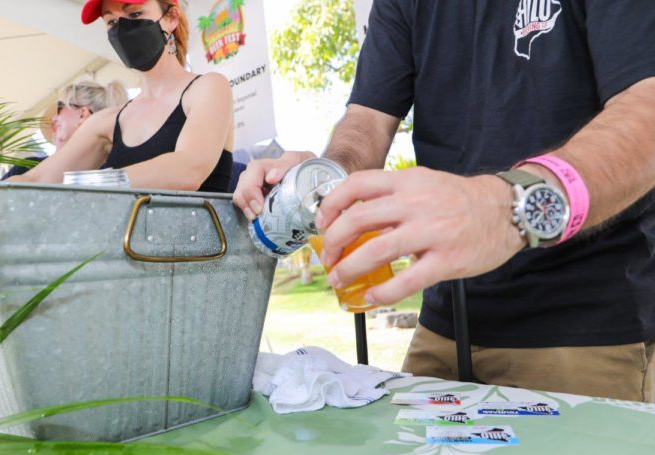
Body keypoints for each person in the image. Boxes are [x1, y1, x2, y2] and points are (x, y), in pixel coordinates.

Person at [235, 0, 655, 401]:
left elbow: (645, 107)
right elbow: (368, 119)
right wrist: (324, 178)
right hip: (445, 322)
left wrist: (509, 207)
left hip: (584, 325)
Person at [9, 0, 233, 193]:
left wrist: (92, 183)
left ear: (171, 17)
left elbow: (187, 170)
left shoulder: (208, 88)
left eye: (134, 14)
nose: (121, 30)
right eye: (111, 22)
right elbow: (37, 179)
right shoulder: (107, 121)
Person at [2, 80, 129, 180]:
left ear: (82, 114)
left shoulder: (27, 168)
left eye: (59, 108)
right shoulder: (116, 174)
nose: (54, 118)